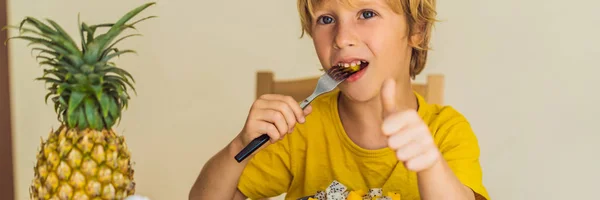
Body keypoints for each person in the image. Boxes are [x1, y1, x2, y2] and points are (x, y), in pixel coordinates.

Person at [189, 0, 490, 199]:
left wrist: (430, 166)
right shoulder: (300, 129)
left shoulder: (445, 132)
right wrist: (239, 147)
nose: (342, 37)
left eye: (367, 14)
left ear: (417, 30)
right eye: (327, 19)